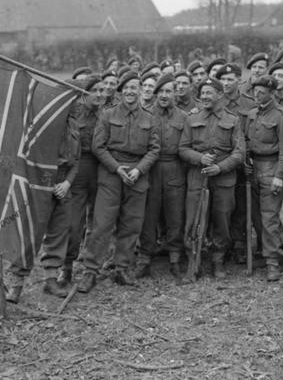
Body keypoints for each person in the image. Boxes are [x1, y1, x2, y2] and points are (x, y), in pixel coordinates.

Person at [77, 71, 160, 293]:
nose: (131, 91)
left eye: (135, 87)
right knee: (101, 225)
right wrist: (116, 168)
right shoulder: (107, 114)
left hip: (137, 176)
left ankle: (122, 268)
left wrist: (139, 170)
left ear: (141, 90)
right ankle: (90, 271)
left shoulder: (150, 118)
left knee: (131, 224)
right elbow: (98, 146)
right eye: (127, 88)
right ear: (121, 92)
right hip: (111, 175)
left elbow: (154, 149)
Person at [5, 105, 81, 303]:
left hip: (63, 183)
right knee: (30, 234)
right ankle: (16, 284)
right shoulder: (43, 123)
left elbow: (77, 159)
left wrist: (67, 183)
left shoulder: (74, 124)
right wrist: (42, 183)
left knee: (59, 232)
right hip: (41, 181)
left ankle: (50, 280)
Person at [179, 77, 245, 279]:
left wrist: (220, 167)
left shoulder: (233, 120)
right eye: (203, 93)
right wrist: (200, 158)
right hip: (197, 177)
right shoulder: (192, 119)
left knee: (222, 220)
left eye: (209, 93)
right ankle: (194, 259)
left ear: (220, 94)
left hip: (224, 179)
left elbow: (240, 152)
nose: (205, 97)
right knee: (194, 220)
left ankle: (218, 259)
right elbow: (182, 148)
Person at [136, 74, 187, 280]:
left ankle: (175, 258)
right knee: (149, 215)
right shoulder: (146, 114)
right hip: (151, 168)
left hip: (174, 168)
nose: (164, 95)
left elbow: (187, 145)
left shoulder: (183, 117)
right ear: (155, 94)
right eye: (161, 92)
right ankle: (144, 259)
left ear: (175, 93)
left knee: (175, 215)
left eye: (169, 91)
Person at [244, 75, 283, 280]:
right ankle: (266, 252)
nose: (257, 95)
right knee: (256, 216)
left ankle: (273, 261)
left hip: (272, 169)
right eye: (255, 91)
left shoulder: (281, 115)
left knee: (269, 218)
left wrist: (279, 176)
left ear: (272, 93)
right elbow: (247, 141)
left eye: (261, 92)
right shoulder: (252, 114)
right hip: (253, 169)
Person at [57, 75, 105, 286]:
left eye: (102, 91)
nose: (100, 94)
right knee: (73, 224)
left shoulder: (106, 114)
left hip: (102, 170)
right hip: (77, 170)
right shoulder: (73, 113)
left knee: (98, 223)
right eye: (95, 90)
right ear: (84, 94)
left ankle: (90, 269)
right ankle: (66, 267)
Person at [217, 63, 256, 264]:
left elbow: (253, 132)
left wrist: (247, 157)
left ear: (239, 81)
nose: (225, 83)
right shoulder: (216, 101)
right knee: (224, 205)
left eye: (230, 79)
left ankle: (240, 244)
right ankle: (222, 245)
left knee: (242, 205)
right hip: (223, 160)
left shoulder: (249, 103)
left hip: (244, 160)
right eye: (222, 79)